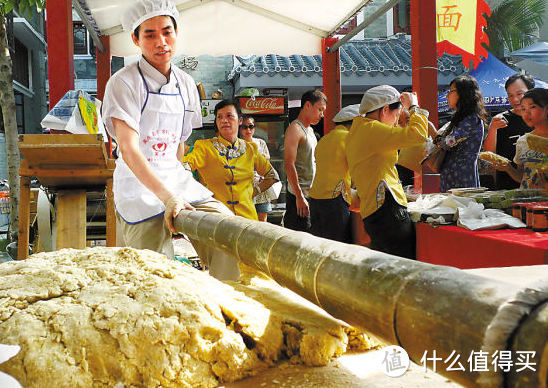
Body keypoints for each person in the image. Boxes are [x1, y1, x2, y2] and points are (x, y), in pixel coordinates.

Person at [102, 0, 239, 280]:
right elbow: (128, 149)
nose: (161, 41)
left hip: (176, 179)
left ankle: (225, 306)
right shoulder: (123, 82)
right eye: (150, 35)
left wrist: (179, 185)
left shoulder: (186, 84)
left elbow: (179, 142)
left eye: (167, 32)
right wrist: (167, 197)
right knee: (152, 273)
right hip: (138, 185)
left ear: (176, 33)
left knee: (227, 231)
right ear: (135, 40)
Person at [346, 85, 428, 259]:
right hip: (387, 211)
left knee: (386, 266)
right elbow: (419, 134)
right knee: (403, 265)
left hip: (374, 211)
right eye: (397, 115)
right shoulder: (371, 129)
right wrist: (414, 107)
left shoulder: (359, 130)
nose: (397, 122)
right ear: (384, 110)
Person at [184, 100, 279, 220]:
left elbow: (272, 175)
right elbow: (184, 168)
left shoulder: (250, 149)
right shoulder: (204, 147)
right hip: (216, 221)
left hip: (248, 219)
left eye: (229, 116)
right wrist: (200, 195)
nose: (224, 120)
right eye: (219, 117)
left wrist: (252, 193)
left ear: (240, 120)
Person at [308, 104, 359, 243]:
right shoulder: (349, 138)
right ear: (354, 124)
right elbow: (357, 169)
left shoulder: (324, 139)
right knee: (338, 245)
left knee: (319, 244)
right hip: (335, 198)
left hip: (315, 198)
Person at [283, 90, 327, 232]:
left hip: (312, 196)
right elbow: (289, 165)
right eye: (320, 109)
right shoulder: (295, 129)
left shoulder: (311, 132)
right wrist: (299, 196)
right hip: (299, 197)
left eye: (323, 111)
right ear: (307, 105)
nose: (322, 115)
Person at [438, 75, 488, 192]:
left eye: (451, 91)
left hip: (462, 178)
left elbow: (447, 143)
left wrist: (432, 132)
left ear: (463, 93)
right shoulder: (462, 118)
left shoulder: (471, 119)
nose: (447, 95)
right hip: (454, 175)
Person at [484, 74, 535, 189]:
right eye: (510, 95)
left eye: (519, 94)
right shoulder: (501, 120)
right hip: (507, 188)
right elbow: (489, 155)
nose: (515, 99)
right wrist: (493, 129)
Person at [494, 88, 548, 189]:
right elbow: (523, 177)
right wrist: (508, 168)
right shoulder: (522, 141)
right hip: (527, 202)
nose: (526, 113)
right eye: (523, 108)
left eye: (532, 107)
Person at [239, 115, 272, 222]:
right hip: (245, 189)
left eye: (251, 126)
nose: (248, 130)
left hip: (262, 188)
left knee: (263, 222)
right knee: (247, 223)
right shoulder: (238, 144)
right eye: (244, 127)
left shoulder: (260, 142)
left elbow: (266, 160)